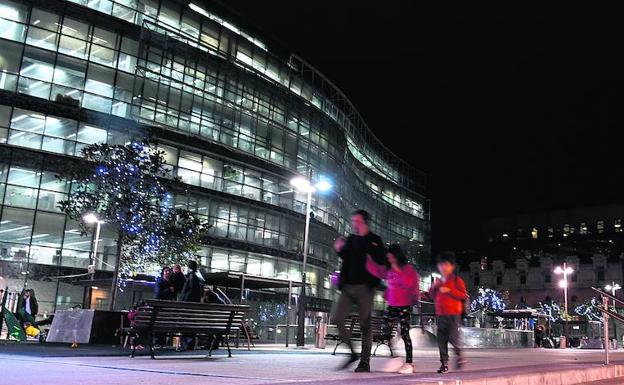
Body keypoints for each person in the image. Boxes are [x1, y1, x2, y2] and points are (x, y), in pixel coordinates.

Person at [334, 209, 386, 373]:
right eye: (353, 221)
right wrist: (339, 249)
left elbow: (382, 261)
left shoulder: (375, 240)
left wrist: (374, 258)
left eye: (356, 221)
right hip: (348, 287)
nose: (353, 224)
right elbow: (346, 257)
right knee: (337, 318)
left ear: (364, 221)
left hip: (365, 287)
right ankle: (352, 353)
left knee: (365, 324)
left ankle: (364, 362)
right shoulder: (351, 239)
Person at [366, 244, 420, 374]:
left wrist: (398, 273)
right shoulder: (389, 270)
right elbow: (378, 271)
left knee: (405, 334)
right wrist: (367, 260)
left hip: (404, 305)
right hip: (392, 305)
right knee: (386, 330)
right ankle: (396, 357)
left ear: (397, 256)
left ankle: (409, 363)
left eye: (392, 258)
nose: (390, 260)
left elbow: (410, 284)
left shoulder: (408, 269)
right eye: (388, 258)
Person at [428, 252, 467, 373]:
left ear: (452, 266)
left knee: (453, 338)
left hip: (454, 314)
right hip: (441, 314)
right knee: (441, 339)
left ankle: (459, 354)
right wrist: (433, 287)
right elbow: (432, 296)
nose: (443, 267)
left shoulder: (457, 280)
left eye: (446, 264)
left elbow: (463, 295)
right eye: (441, 265)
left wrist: (449, 290)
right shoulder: (438, 281)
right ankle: (444, 363)